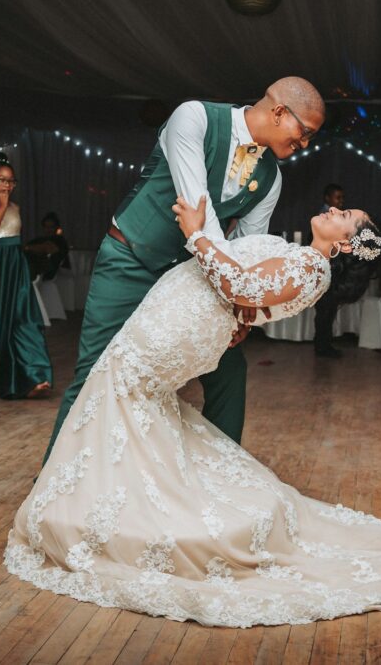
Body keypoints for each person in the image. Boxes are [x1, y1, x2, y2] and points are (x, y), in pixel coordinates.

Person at [5, 195, 381, 626]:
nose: (333, 208)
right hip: (180, 320)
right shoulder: (303, 258)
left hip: (172, 331)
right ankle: (99, 500)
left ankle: (107, 513)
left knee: (124, 395)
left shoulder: (313, 268)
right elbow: (251, 300)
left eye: (344, 216)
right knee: (129, 404)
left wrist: (195, 233)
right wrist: (241, 314)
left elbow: (243, 287)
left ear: (344, 242)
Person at [42, 77, 325, 465]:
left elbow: (248, 249)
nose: (305, 143)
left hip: (192, 280)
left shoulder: (271, 179)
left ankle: (222, 480)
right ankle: (53, 482)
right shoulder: (194, 117)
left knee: (229, 372)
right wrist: (232, 292)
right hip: (132, 260)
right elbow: (197, 212)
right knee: (95, 370)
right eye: (304, 132)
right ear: (278, 111)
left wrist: (242, 313)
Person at [0, 153, 53, 399]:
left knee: (24, 319)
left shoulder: (17, 208)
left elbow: (15, 238)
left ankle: (34, 376)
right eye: (1, 180)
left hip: (15, 266)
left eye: (10, 181)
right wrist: (1, 206)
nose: (6, 185)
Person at [313, 183, 345, 358]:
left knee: (327, 309)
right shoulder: (324, 217)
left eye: (342, 198)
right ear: (327, 198)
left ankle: (324, 344)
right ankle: (322, 346)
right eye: (337, 197)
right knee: (325, 309)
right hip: (325, 268)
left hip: (329, 268)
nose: (341, 201)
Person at [25, 211, 71, 281]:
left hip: (54, 274)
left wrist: (30, 248)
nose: (48, 230)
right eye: (46, 227)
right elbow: (26, 247)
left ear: (56, 228)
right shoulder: (40, 239)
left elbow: (48, 248)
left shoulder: (60, 240)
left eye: (51, 227)